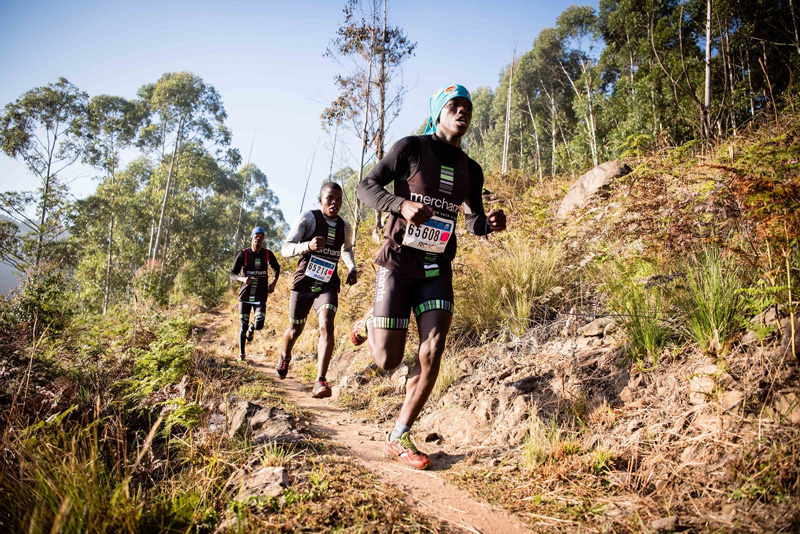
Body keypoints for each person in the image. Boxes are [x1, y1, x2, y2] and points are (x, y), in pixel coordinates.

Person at [350, 84, 506, 469]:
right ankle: (371, 318)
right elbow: (365, 187)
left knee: (432, 349)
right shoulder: (410, 148)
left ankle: (399, 435)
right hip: (398, 263)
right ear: (438, 113)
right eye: (453, 106)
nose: (461, 112)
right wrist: (400, 205)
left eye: (467, 107)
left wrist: (490, 224)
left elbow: (472, 222)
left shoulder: (471, 170)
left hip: (437, 268)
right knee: (387, 360)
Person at [278, 182, 358, 398]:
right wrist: (308, 246)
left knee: (326, 324)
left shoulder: (345, 226)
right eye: (330, 198)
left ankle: (320, 381)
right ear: (321, 199)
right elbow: (285, 248)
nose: (335, 202)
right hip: (303, 283)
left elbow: (347, 249)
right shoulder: (309, 218)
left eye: (339, 199)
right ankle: (285, 356)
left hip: (328, 284)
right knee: (295, 330)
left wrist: (352, 267)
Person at [230, 227, 281, 361]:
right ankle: (242, 354)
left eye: (261, 237)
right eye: (256, 236)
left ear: (263, 239)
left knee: (259, 323)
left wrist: (273, 283)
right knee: (243, 325)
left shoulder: (267, 254)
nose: (258, 238)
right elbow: (232, 274)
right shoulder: (244, 254)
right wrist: (243, 279)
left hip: (260, 295)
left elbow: (277, 268)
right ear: (252, 238)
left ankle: (252, 329)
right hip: (245, 296)